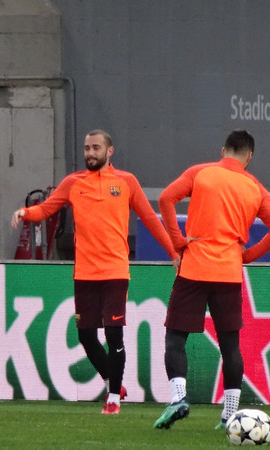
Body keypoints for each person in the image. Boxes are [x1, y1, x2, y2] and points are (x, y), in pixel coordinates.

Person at [11, 129, 179, 415]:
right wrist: (24, 213)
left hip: (115, 271)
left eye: (96, 148)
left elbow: (150, 219)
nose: (90, 153)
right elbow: (47, 209)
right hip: (85, 273)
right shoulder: (73, 183)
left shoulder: (126, 182)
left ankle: (113, 398)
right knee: (86, 337)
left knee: (114, 335)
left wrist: (173, 253)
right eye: (87, 148)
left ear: (109, 151)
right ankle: (113, 382)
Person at [153, 130, 270, 430]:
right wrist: (247, 255)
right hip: (228, 272)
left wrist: (178, 241)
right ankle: (229, 414)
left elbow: (165, 199)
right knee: (230, 346)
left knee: (176, 336)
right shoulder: (255, 187)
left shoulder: (201, 172)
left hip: (194, 268)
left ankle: (178, 398)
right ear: (249, 156)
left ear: (223, 150)